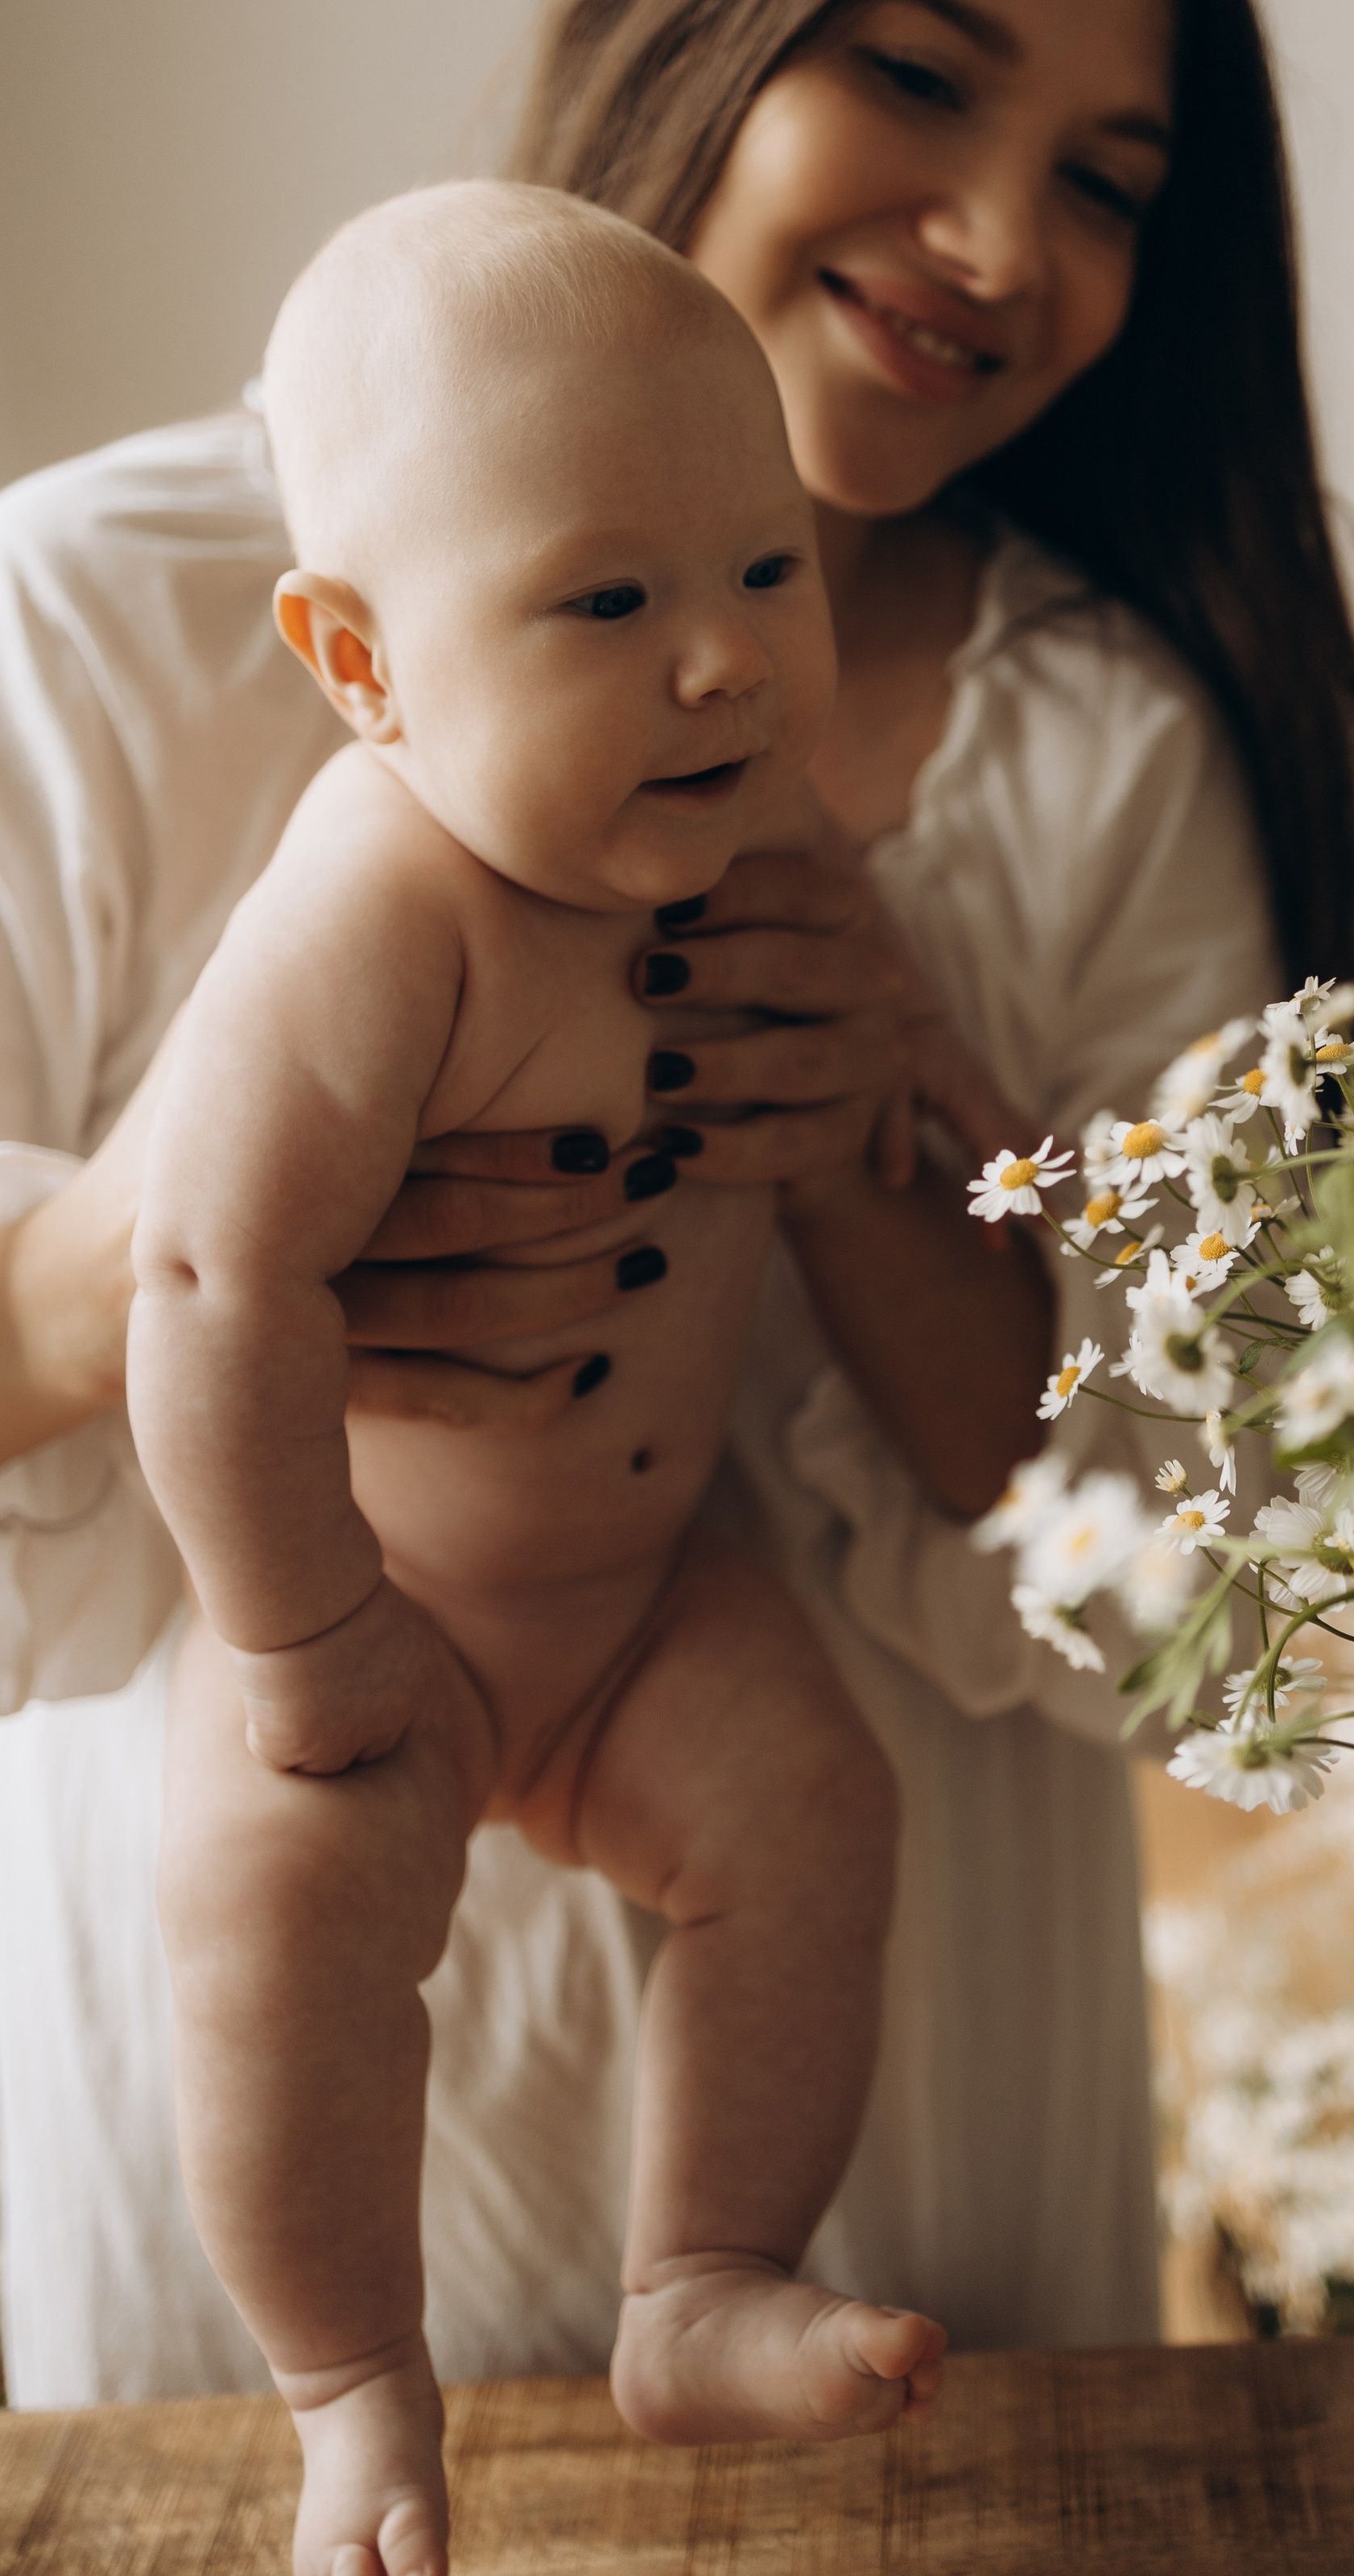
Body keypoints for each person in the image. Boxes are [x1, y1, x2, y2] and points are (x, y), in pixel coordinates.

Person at [0, 0, 1354, 2406]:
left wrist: (863, 1146)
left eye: (1104, 183)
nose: (996, 242)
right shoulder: (95, 621)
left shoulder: (1098, 759)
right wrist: (208, 1217)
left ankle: (717, 2274)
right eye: (918, 82)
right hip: (278, 1953)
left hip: (891, 2090)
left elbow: (1192, 1565)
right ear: (705, 17)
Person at [142, 188, 943, 2573]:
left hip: (639, 1598)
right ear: (361, 660)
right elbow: (202, 1280)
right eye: (609, 602)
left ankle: (698, 2283)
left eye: (765, 572)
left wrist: (918, 1085)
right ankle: (352, 2395)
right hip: (388, 1614)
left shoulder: (753, 823)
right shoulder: (376, 913)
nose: (718, 665)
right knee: (275, 1943)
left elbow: (877, 1058)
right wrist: (296, 1631)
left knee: (817, 1818)